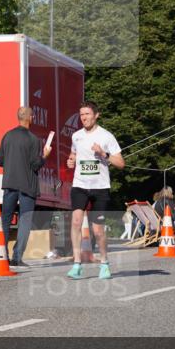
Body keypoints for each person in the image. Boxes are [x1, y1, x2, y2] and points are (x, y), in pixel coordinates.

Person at [66, 101, 124, 279]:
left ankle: (104, 262)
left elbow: (121, 164)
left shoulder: (107, 136)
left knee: (97, 230)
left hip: (100, 187)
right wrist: (70, 161)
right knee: (76, 221)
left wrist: (103, 154)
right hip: (80, 185)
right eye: (81, 114)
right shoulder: (76, 136)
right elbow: (73, 154)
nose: (84, 118)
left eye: (87, 114)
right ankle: (77, 264)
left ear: (96, 115)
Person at [0, 106, 52, 267]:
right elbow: (35, 165)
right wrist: (45, 156)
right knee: (25, 221)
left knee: (5, 220)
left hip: (9, 184)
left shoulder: (7, 136)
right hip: (27, 186)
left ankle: (2, 255)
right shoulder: (34, 140)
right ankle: (17, 257)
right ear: (30, 118)